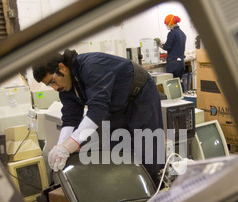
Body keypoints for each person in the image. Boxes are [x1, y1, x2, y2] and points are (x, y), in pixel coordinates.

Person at [32, 49, 164, 186]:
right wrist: (60, 148)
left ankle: (155, 189)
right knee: (116, 152)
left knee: (147, 150)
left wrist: (68, 146)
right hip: (116, 105)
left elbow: (96, 111)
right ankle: (128, 191)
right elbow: (70, 117)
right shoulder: (65, 87)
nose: (54, 88)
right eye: (49, 85)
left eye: (53, 81)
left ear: (62, 67)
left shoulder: (91, 67)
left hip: (140, 95)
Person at [155, 14, 187, 80]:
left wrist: (159, 43)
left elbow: (167, 47)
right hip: (181, 64)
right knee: (178, 83)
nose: (166, 26)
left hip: (173, 64)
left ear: (170, 23)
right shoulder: (183, 34)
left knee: (172, 84)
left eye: (166, 24)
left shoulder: (172, 33)